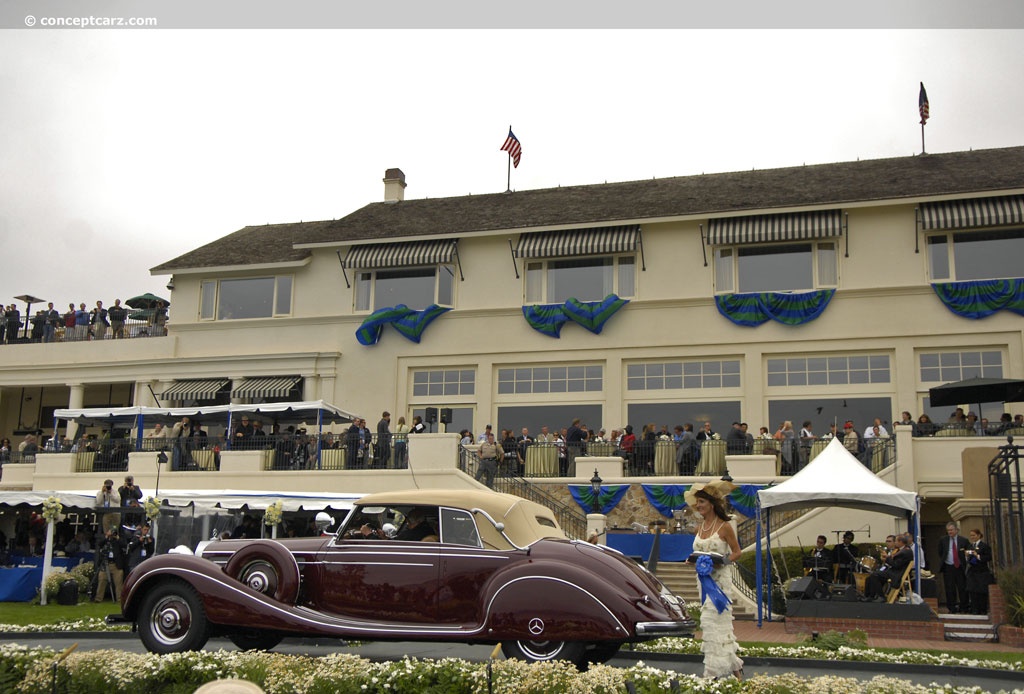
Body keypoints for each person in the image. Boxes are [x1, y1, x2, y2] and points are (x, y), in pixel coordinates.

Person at [685, 481, 743, 680]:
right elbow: (699, 552)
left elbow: (737, 552)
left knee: (709, 623)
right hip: (704, 581)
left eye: (701, 502)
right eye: (697, 502)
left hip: (719, 583)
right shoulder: (700, 527)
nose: (698, 506)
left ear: (711, 503)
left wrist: (723, 561)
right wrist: (691, 560)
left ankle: (711, 674)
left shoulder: (725, 527)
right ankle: (737, 673)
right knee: (720, 629)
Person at [864, 534, 914, 600]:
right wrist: (887, 558)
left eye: (895, 541)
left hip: (896, 573)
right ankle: (869, 596)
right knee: (870, 577)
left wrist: (886, 559)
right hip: (893, 571)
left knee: (875, 575)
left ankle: (881, 596)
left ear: (900, 542)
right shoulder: (901, 550)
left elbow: (896, 565)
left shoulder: (905, 552)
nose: (895, 543)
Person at [938, 521, 969, 614]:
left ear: (956, 530)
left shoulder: (963, 540)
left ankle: (964, 607)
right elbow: (940, 552)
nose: (950, 532)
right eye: (948, 530)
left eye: (951, 530)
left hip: (960, 567)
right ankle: (952, 607)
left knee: (962, 587)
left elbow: (967, 552)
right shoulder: (943, 540)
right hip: (948, 567)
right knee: (949, 588)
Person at [964, 528, 993, 615]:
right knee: (973, 591)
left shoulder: (984, 546)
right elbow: (968, 560)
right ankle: (974, 609)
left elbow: (988, 557)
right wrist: (966, 556)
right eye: (971, 536)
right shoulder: (970, 546)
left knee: (981, 591)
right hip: (972, 571)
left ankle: (982, 609)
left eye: (974, 535)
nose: (972, 537)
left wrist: (978, 556)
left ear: (979, 535)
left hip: (981, 571)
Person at [94, 527, 127, 602]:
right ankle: (98, 598)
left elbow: (125, 545)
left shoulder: (119, 541)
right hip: (105, 564)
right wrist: (107, 537)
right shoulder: (105, 539)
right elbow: (99, 544)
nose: (112, 534)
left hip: (116, 565)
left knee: (118, 582)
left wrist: (117, 538)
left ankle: (119, 599)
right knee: (102, 579)